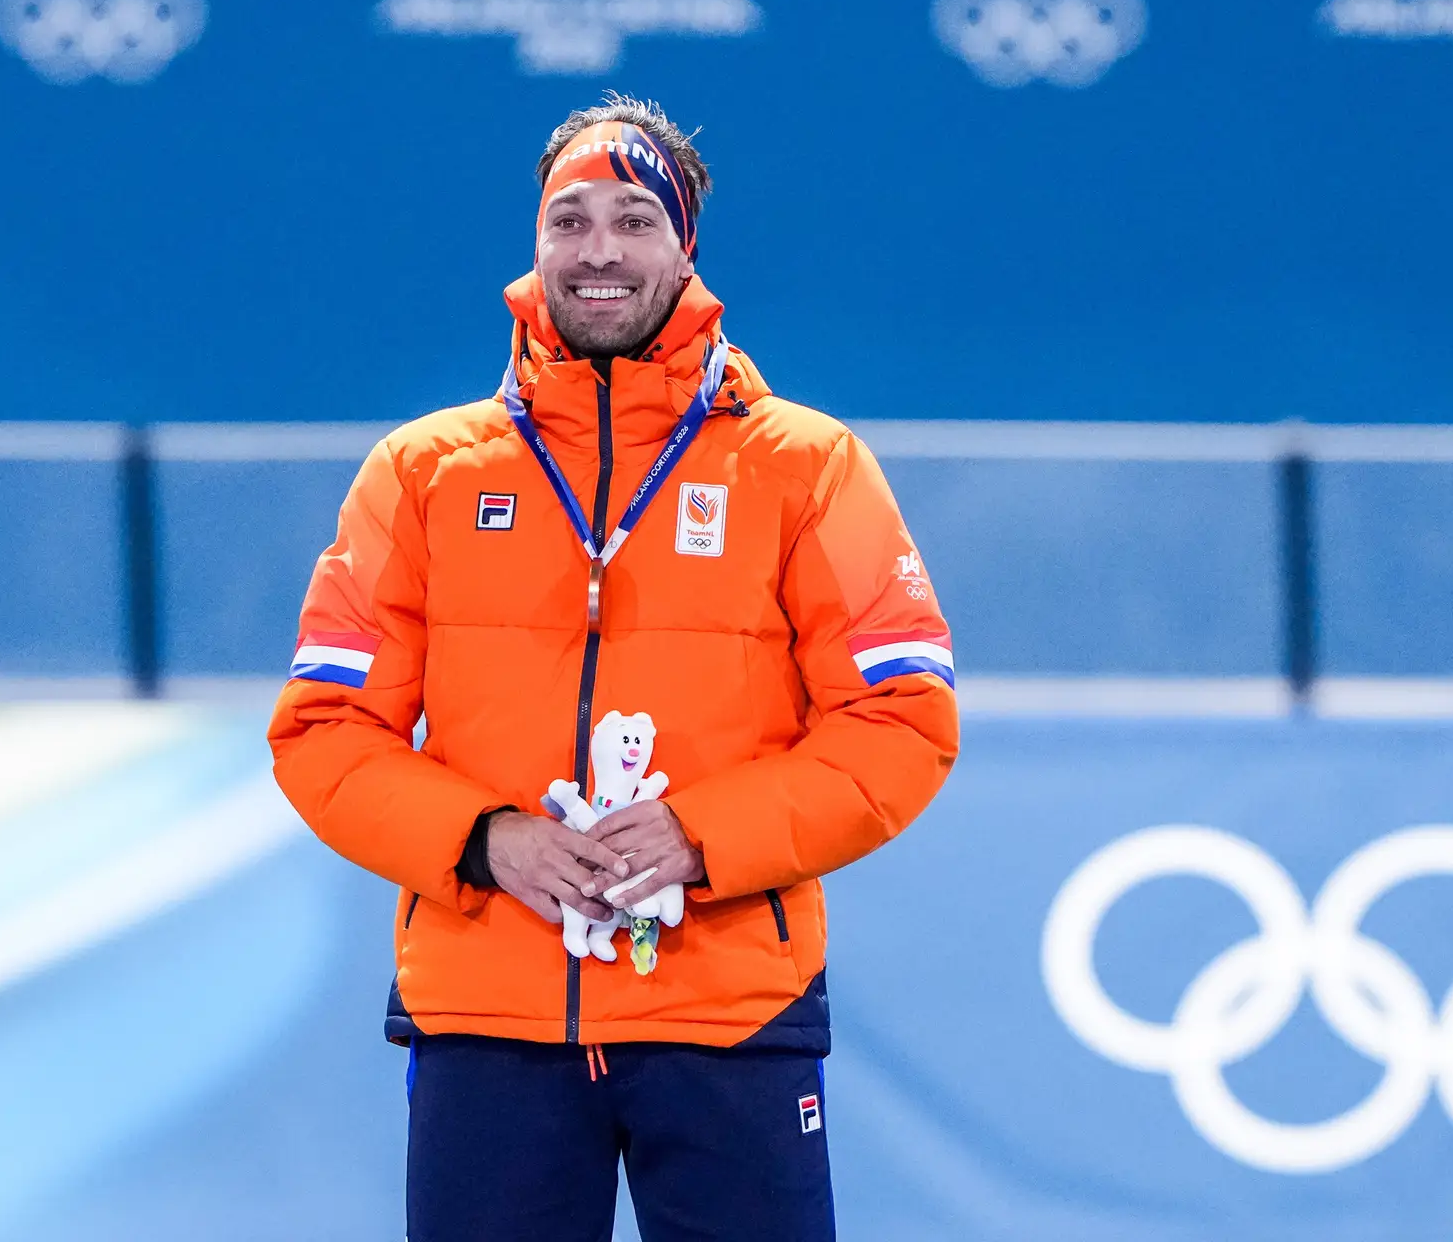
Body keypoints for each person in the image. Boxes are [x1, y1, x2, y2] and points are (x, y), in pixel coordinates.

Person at [268, 93, 958, 1241]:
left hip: (730, 1006)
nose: (598, 251)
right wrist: (487, 840)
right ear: (534, 244)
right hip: (488, 1014)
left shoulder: (808, 466)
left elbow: (902, 721)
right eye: (569, 219)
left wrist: (703, 833)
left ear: (686, 246)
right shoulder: (423, 470)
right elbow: (324, 729)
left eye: (635, 219)